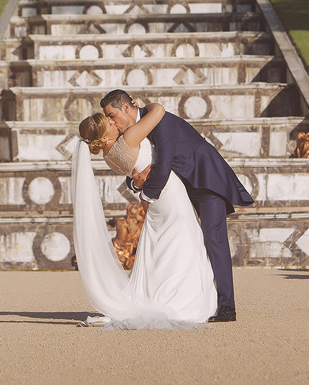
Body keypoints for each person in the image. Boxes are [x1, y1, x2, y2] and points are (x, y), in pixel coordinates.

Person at [101, 89, 254, 322]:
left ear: (126, 107)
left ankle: (227, 307)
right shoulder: (139, 129)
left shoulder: (160, 121)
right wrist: (135, 182)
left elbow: (162, 166)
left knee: (214, 239)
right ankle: (201, 297)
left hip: (205, 180)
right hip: (182, 188)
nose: (111, 121)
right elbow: (139, 166)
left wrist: (146, 198)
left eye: (112, 115)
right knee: (194, 241)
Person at [73, 104, 217, 328]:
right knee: (184, 242)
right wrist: (136, 106)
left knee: (159, 246)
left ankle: (156, 294)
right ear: (103, 137)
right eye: (108, 123)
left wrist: (137, 182)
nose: (113, 121)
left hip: (153, 200)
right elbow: (158, 111)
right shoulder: (128, 139)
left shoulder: (109, 156)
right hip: (169, 195)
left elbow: (134, 176)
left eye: (110, 118)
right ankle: (182, 299)